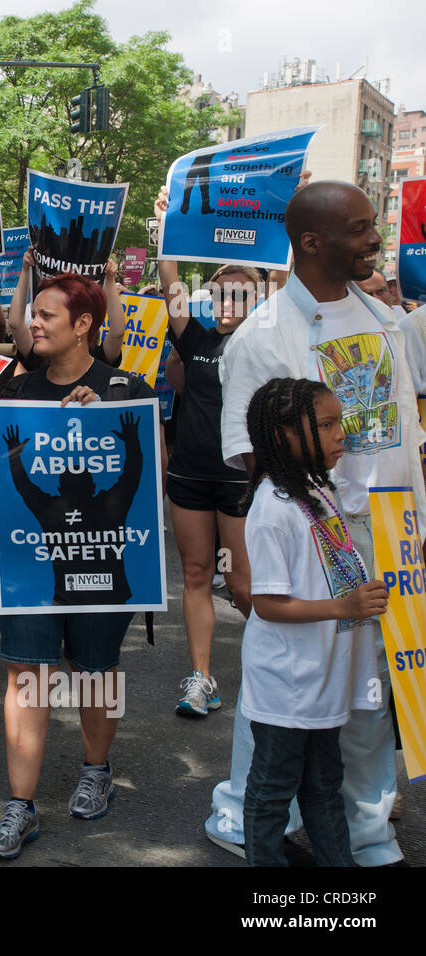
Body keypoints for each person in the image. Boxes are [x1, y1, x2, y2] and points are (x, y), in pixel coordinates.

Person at [207, 180, 425, 865]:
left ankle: (363, 826)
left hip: (394, 525)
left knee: (368, 689)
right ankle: (246, 814)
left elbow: (402, 430)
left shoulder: (385, 318)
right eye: (361, 228)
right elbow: (249, 455)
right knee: (291, 688)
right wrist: (267, 550)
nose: (375, 238)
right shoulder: (262, 336)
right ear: (311, 241)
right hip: (317, 529)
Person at [0, 272, 163, 859]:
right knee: (27, 674)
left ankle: (95, 769)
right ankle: (20, 807)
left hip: (106, 570)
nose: (33, 323)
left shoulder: (125, 386)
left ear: (84, 325)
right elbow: (8, 478)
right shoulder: (19, 392)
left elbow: (149, 475)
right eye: (34, 315)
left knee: (96, 670)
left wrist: (105, 413)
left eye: (47, 316)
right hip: (33, 570)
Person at [238, 378, 387, 866]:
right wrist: (346, 608)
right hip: (287, 683)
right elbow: (269, 604)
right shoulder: (271, 508)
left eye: (338, 422)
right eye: (326, 425)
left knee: (325, 784)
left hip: (323, 677)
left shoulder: (319, 490)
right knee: (272, 790)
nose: (340, 434)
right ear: (283, 435)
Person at [151, 187, 257, 716]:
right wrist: (167, 225)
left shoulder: (265, 341)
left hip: (240, 479)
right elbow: (170, 283)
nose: (228, 301)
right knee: (195, 575)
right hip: (190, 474)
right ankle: (201, 678)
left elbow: (285, 281)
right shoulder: (192, 338)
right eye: (221, 292)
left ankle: (274, 664)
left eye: (241, 292)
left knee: (240, 582)